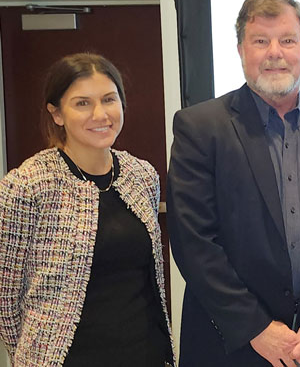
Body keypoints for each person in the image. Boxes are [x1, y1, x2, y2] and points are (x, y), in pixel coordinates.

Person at [167, 0, 300, 367]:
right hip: (232, 345)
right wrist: (256, 327)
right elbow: (194, 241)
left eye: (288, 40)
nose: (274, 52)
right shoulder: (200, 128)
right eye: (260, 41)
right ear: (241, 49)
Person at [0, 53, 174, 366]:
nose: (100, 114)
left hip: (143, 353)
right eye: (82, 103)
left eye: (109, 99)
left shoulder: (142, 175)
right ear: (57, 114)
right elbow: (6, 298)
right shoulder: (27, 184)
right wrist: (34, 355)